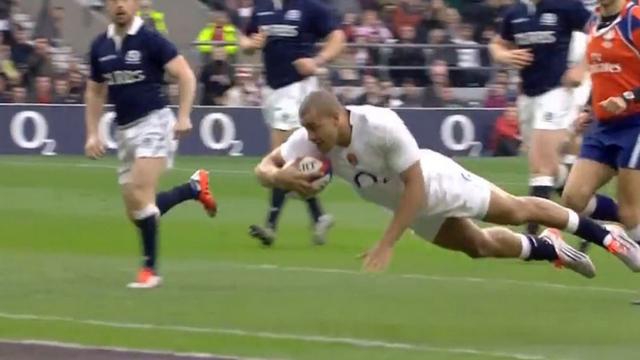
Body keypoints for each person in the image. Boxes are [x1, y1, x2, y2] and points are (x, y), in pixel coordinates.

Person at [254, 90, 640, 275]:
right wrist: (280, 175)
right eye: (306, 129)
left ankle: (609, 238)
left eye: (314, 127)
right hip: (407, 208)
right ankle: (550, 250)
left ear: (337, 118)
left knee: (515, 209)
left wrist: (387, 243)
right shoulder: (308, 140)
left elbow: (417, 188)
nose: (309, 136)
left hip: (436, 183)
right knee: (478, 247)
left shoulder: (381, 125)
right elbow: (262, 169)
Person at [84, 0, 217, 289]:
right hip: (124, 131)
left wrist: (183, 116)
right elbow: (95, 91)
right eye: (113, 0)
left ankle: (150, 270)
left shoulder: (151, 40)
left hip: (155, 123)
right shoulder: (99, 47)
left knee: (141, 192)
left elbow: (186, 76)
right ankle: (193, 188)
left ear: (135, 4)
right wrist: (93, 133)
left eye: (125, 0)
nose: (120, 5)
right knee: (137, 211)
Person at [239, 0, 346, 246]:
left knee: (279, 157)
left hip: (297, 89)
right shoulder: (262, 7)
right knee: (288, 159)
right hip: (272, 91)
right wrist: (249, 45)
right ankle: (319, 216)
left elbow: (338, 37)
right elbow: (245, 40)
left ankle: (270, 226)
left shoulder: (309, 7)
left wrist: (317, 61)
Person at [489, 0, 593, 236]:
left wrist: (582, 68)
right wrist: (505, 55)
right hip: (527, 96)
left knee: (540, 167)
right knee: (551, 169)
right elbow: (497, 44)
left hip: (557, 93)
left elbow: (598, 30)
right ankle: (587, 207)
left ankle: (532, 235)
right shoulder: (515, 11)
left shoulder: (564, 6)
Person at [562, 0, 640, 252]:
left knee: (631, 213)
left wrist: (627, 98)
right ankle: (620, 227)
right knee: (573, 197)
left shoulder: (635, 17)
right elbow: (601, 74)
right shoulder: (594, 22)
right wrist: (587, 108)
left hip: (635, 123)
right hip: (604, 125)